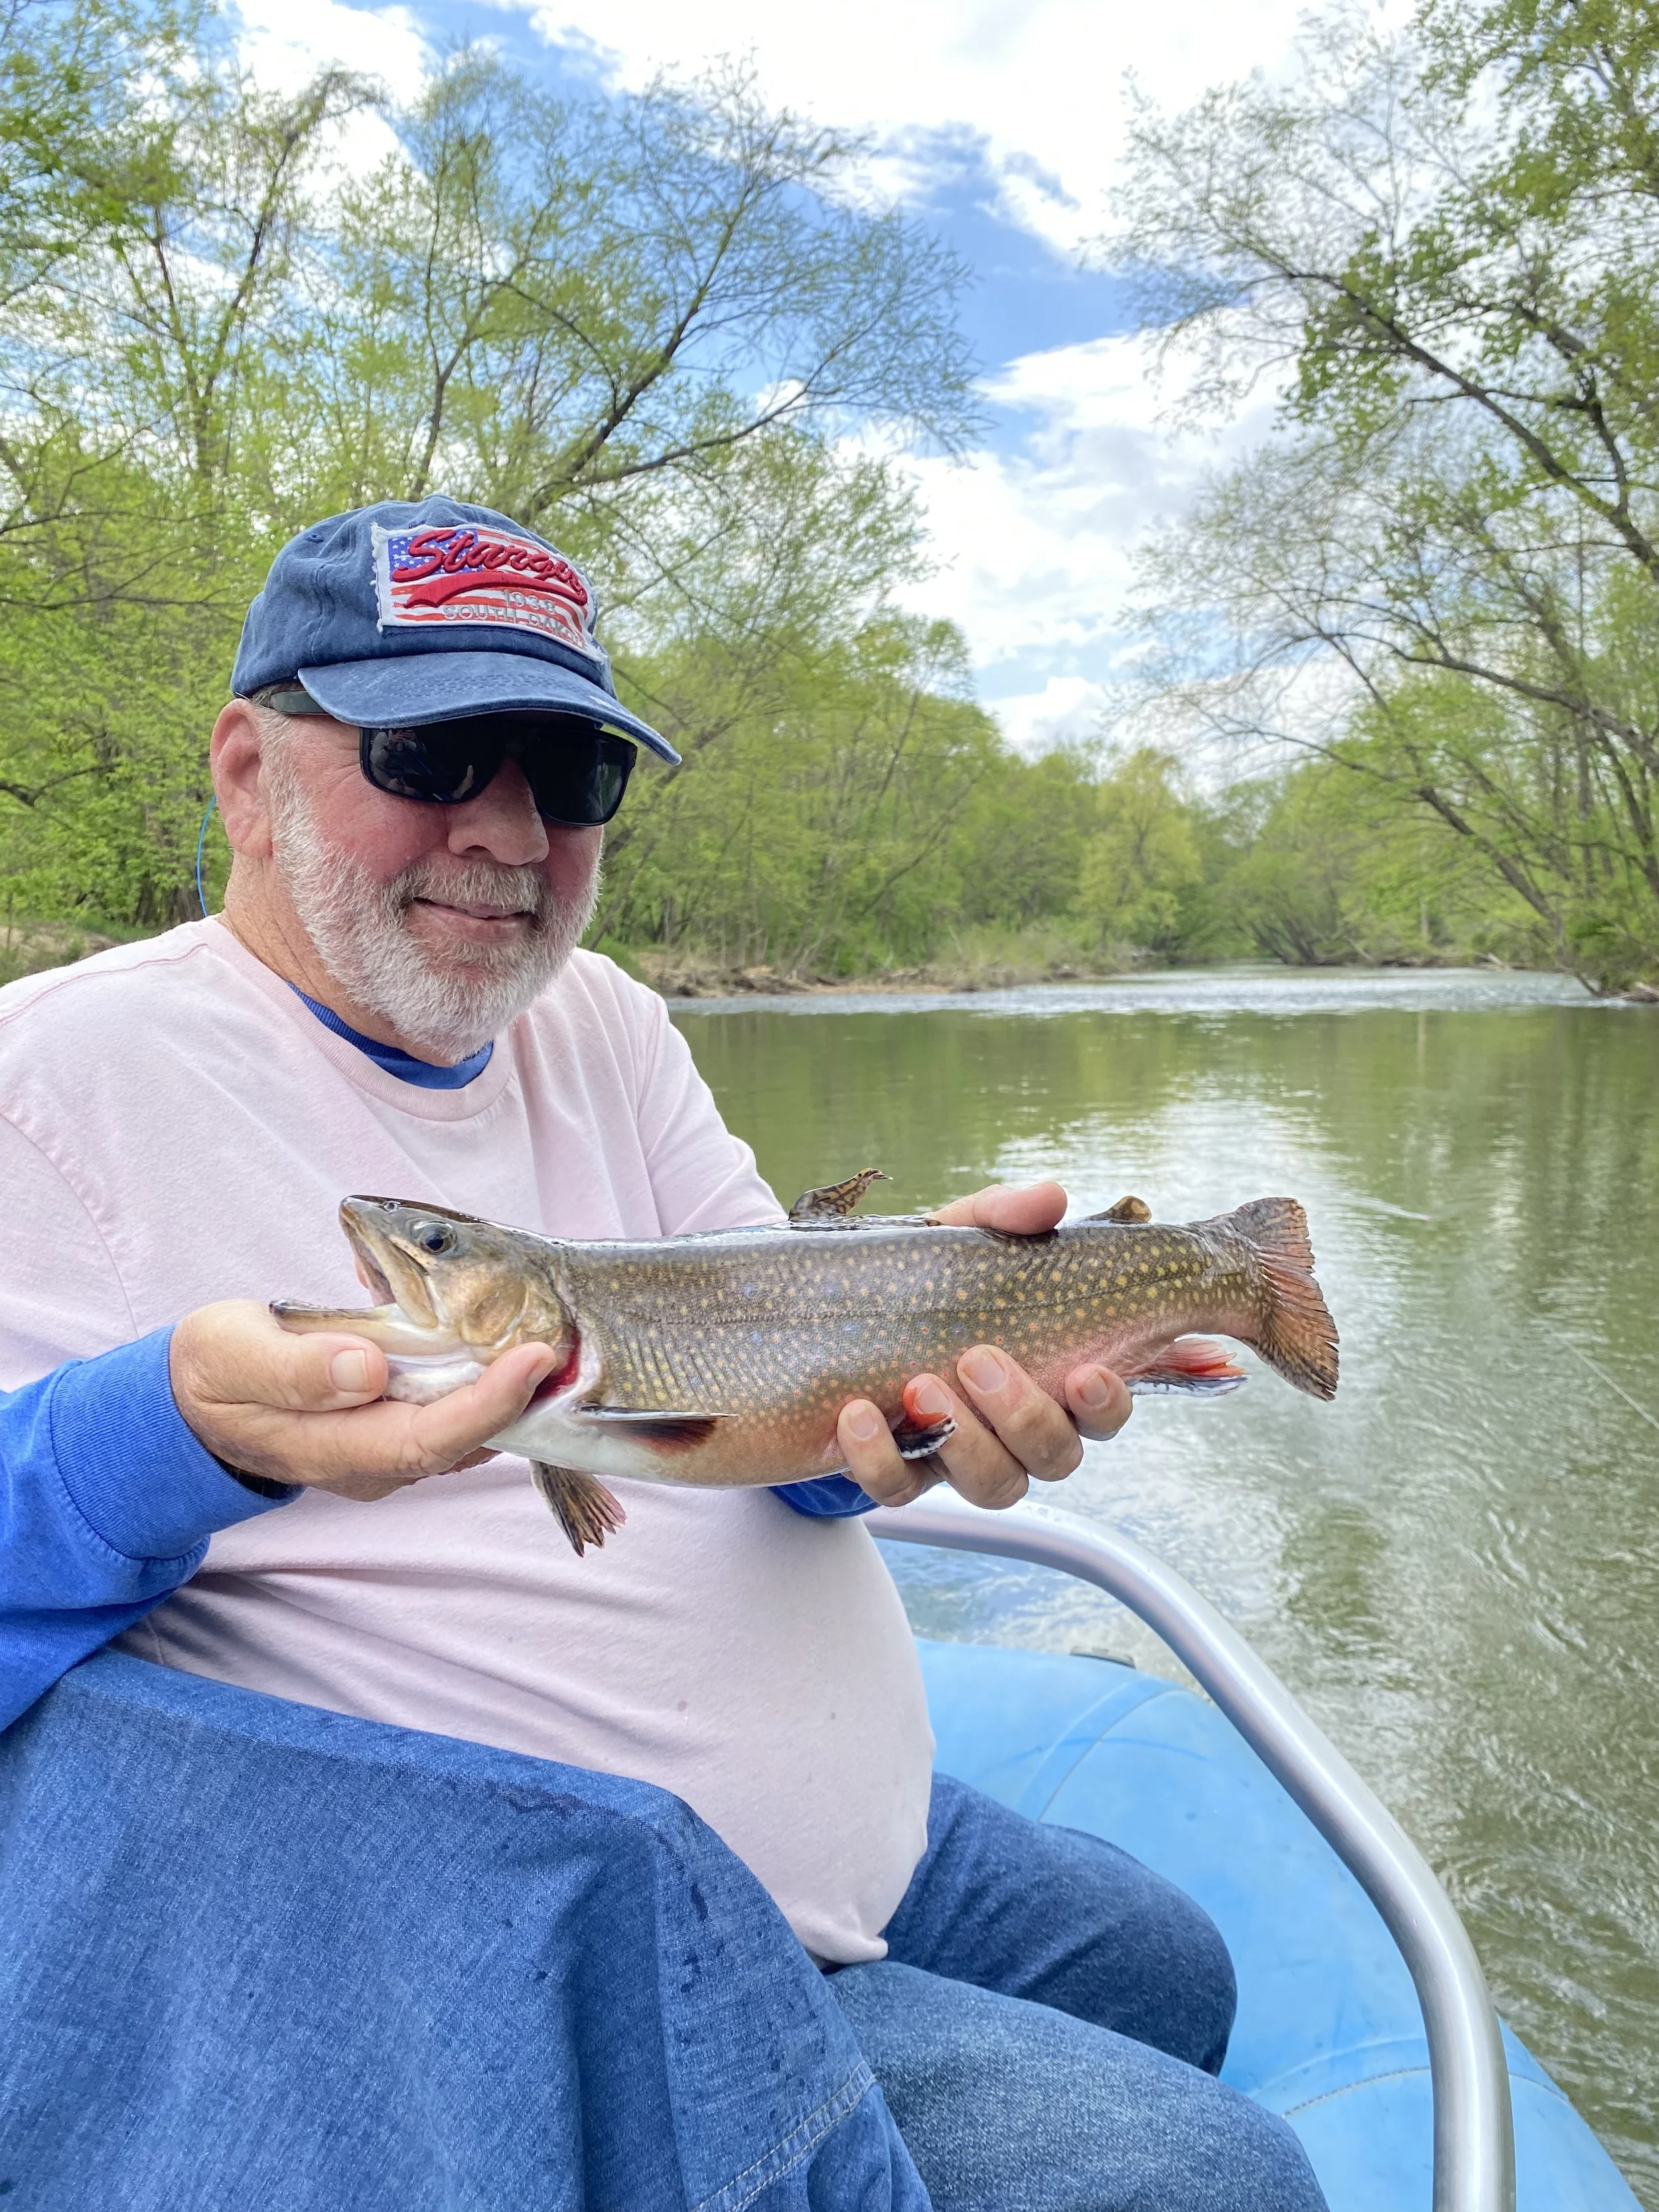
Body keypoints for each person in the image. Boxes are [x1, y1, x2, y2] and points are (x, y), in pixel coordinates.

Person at [0, 498, 1326, 2211]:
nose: (507, 829)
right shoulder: (49, 1082)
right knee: (1211, 2183)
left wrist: (906, 1429)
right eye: (433, 750)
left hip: (828, 1828)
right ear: (249, 771)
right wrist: (174, 1433)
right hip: (548, 1945)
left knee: (1171, 1967)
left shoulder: (602, 1017)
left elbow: (763, 1429)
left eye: (570, 774)